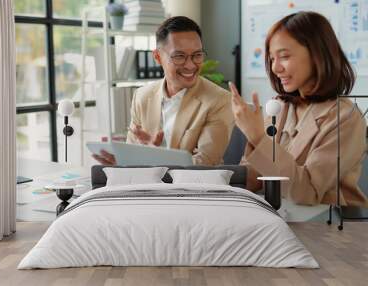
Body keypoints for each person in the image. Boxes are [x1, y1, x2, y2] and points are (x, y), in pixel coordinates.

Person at [230, 11, 368, 206]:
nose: (276, 68)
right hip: (282, 221)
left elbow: (306, 192)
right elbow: (254, 178)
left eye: (284, 56)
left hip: (327, 229)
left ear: (317, 54)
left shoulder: (346, 118)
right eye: (271, 58)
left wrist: (258, 138)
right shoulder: (280, 107)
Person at [94, 16, 234, 166]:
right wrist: (121, 163)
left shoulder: (219, 100)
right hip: (147, 185)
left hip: (194, 187)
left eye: (197, 55)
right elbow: (131, 156)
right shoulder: (142, 96)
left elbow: (205, 164)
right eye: (179, 56)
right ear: (157, 57)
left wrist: (149, 159)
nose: (190, 65)